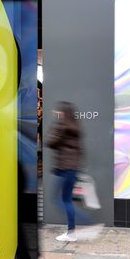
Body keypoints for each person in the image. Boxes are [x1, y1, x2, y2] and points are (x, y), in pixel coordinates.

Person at [46, 101, 82, 242]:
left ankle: (74, 229)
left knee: (60, 199)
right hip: (72, 168)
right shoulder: (75, 127)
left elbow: (50, 141)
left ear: (63, 113)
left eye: (59, 111)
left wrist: (57, 122)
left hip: (65, 169)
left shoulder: (62, 126)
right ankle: (72, 230)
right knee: (66, 200)